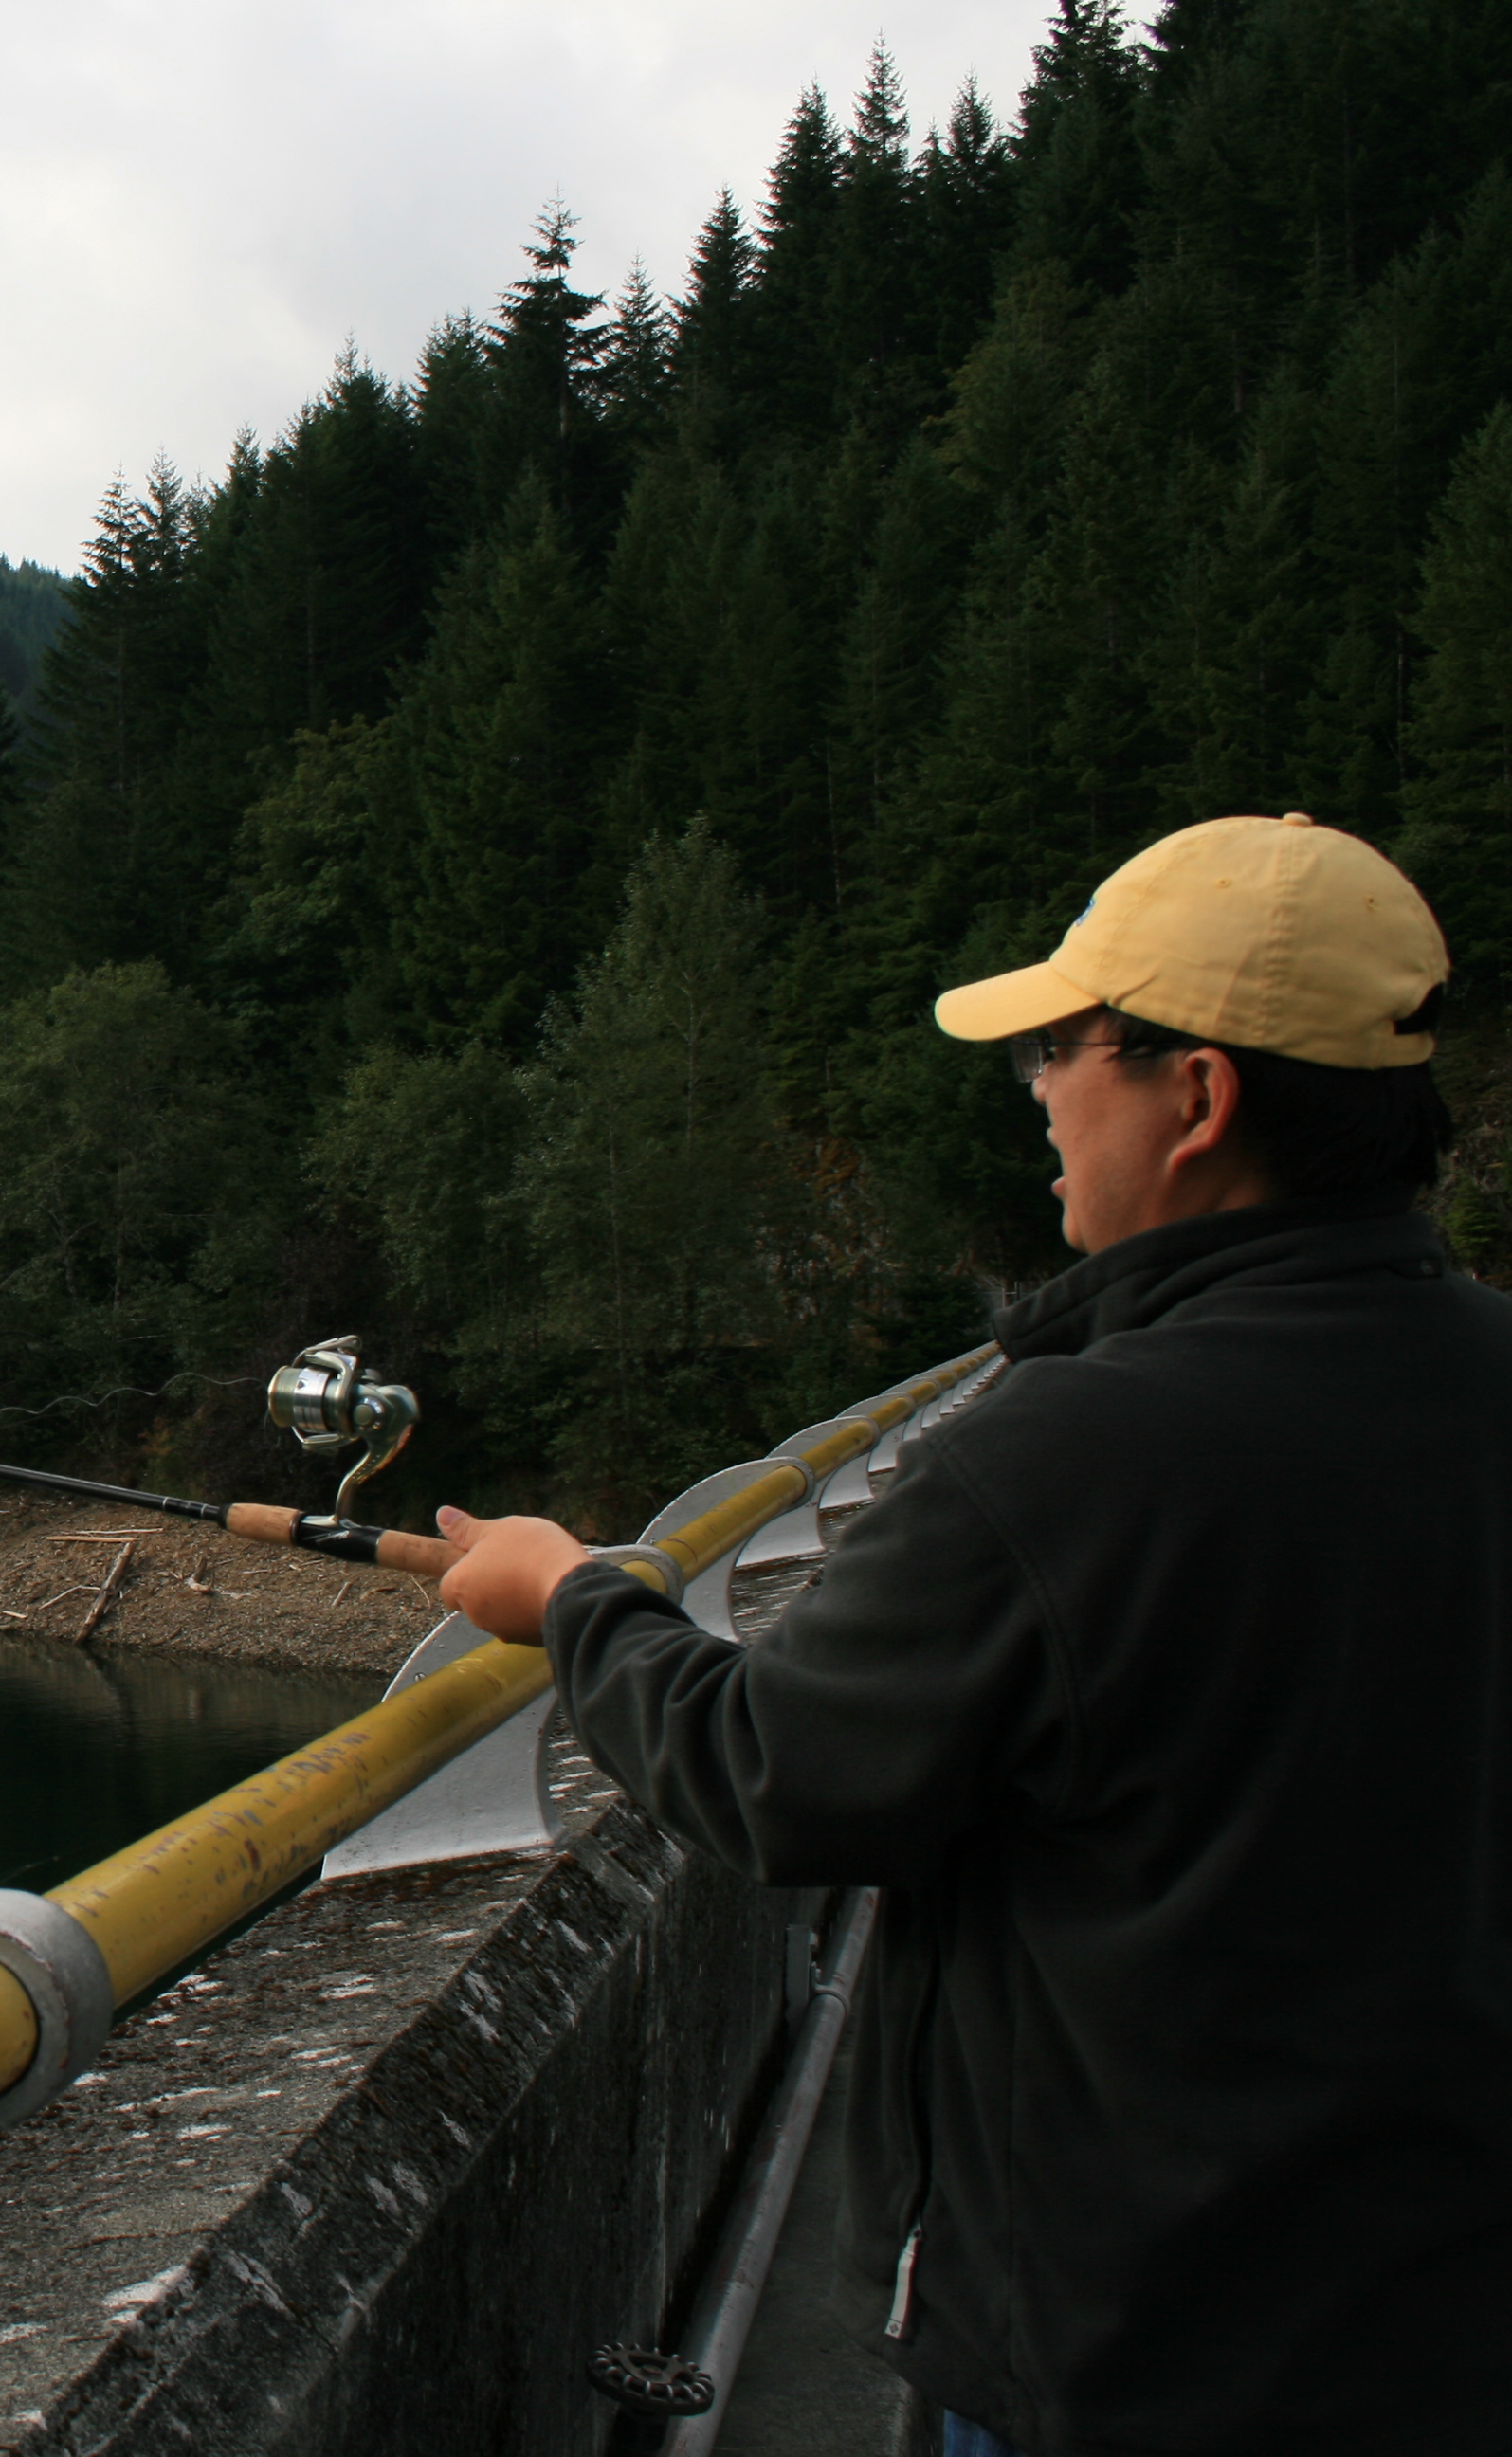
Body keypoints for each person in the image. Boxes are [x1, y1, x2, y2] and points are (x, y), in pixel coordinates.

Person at [432, 813, 1511, 2457]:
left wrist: (572, 1599)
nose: (1040, 1102)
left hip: (1126, 2347)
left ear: (1199, 1094)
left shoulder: (1065, 1457)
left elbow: (776, 1773)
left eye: (1063, 1054)